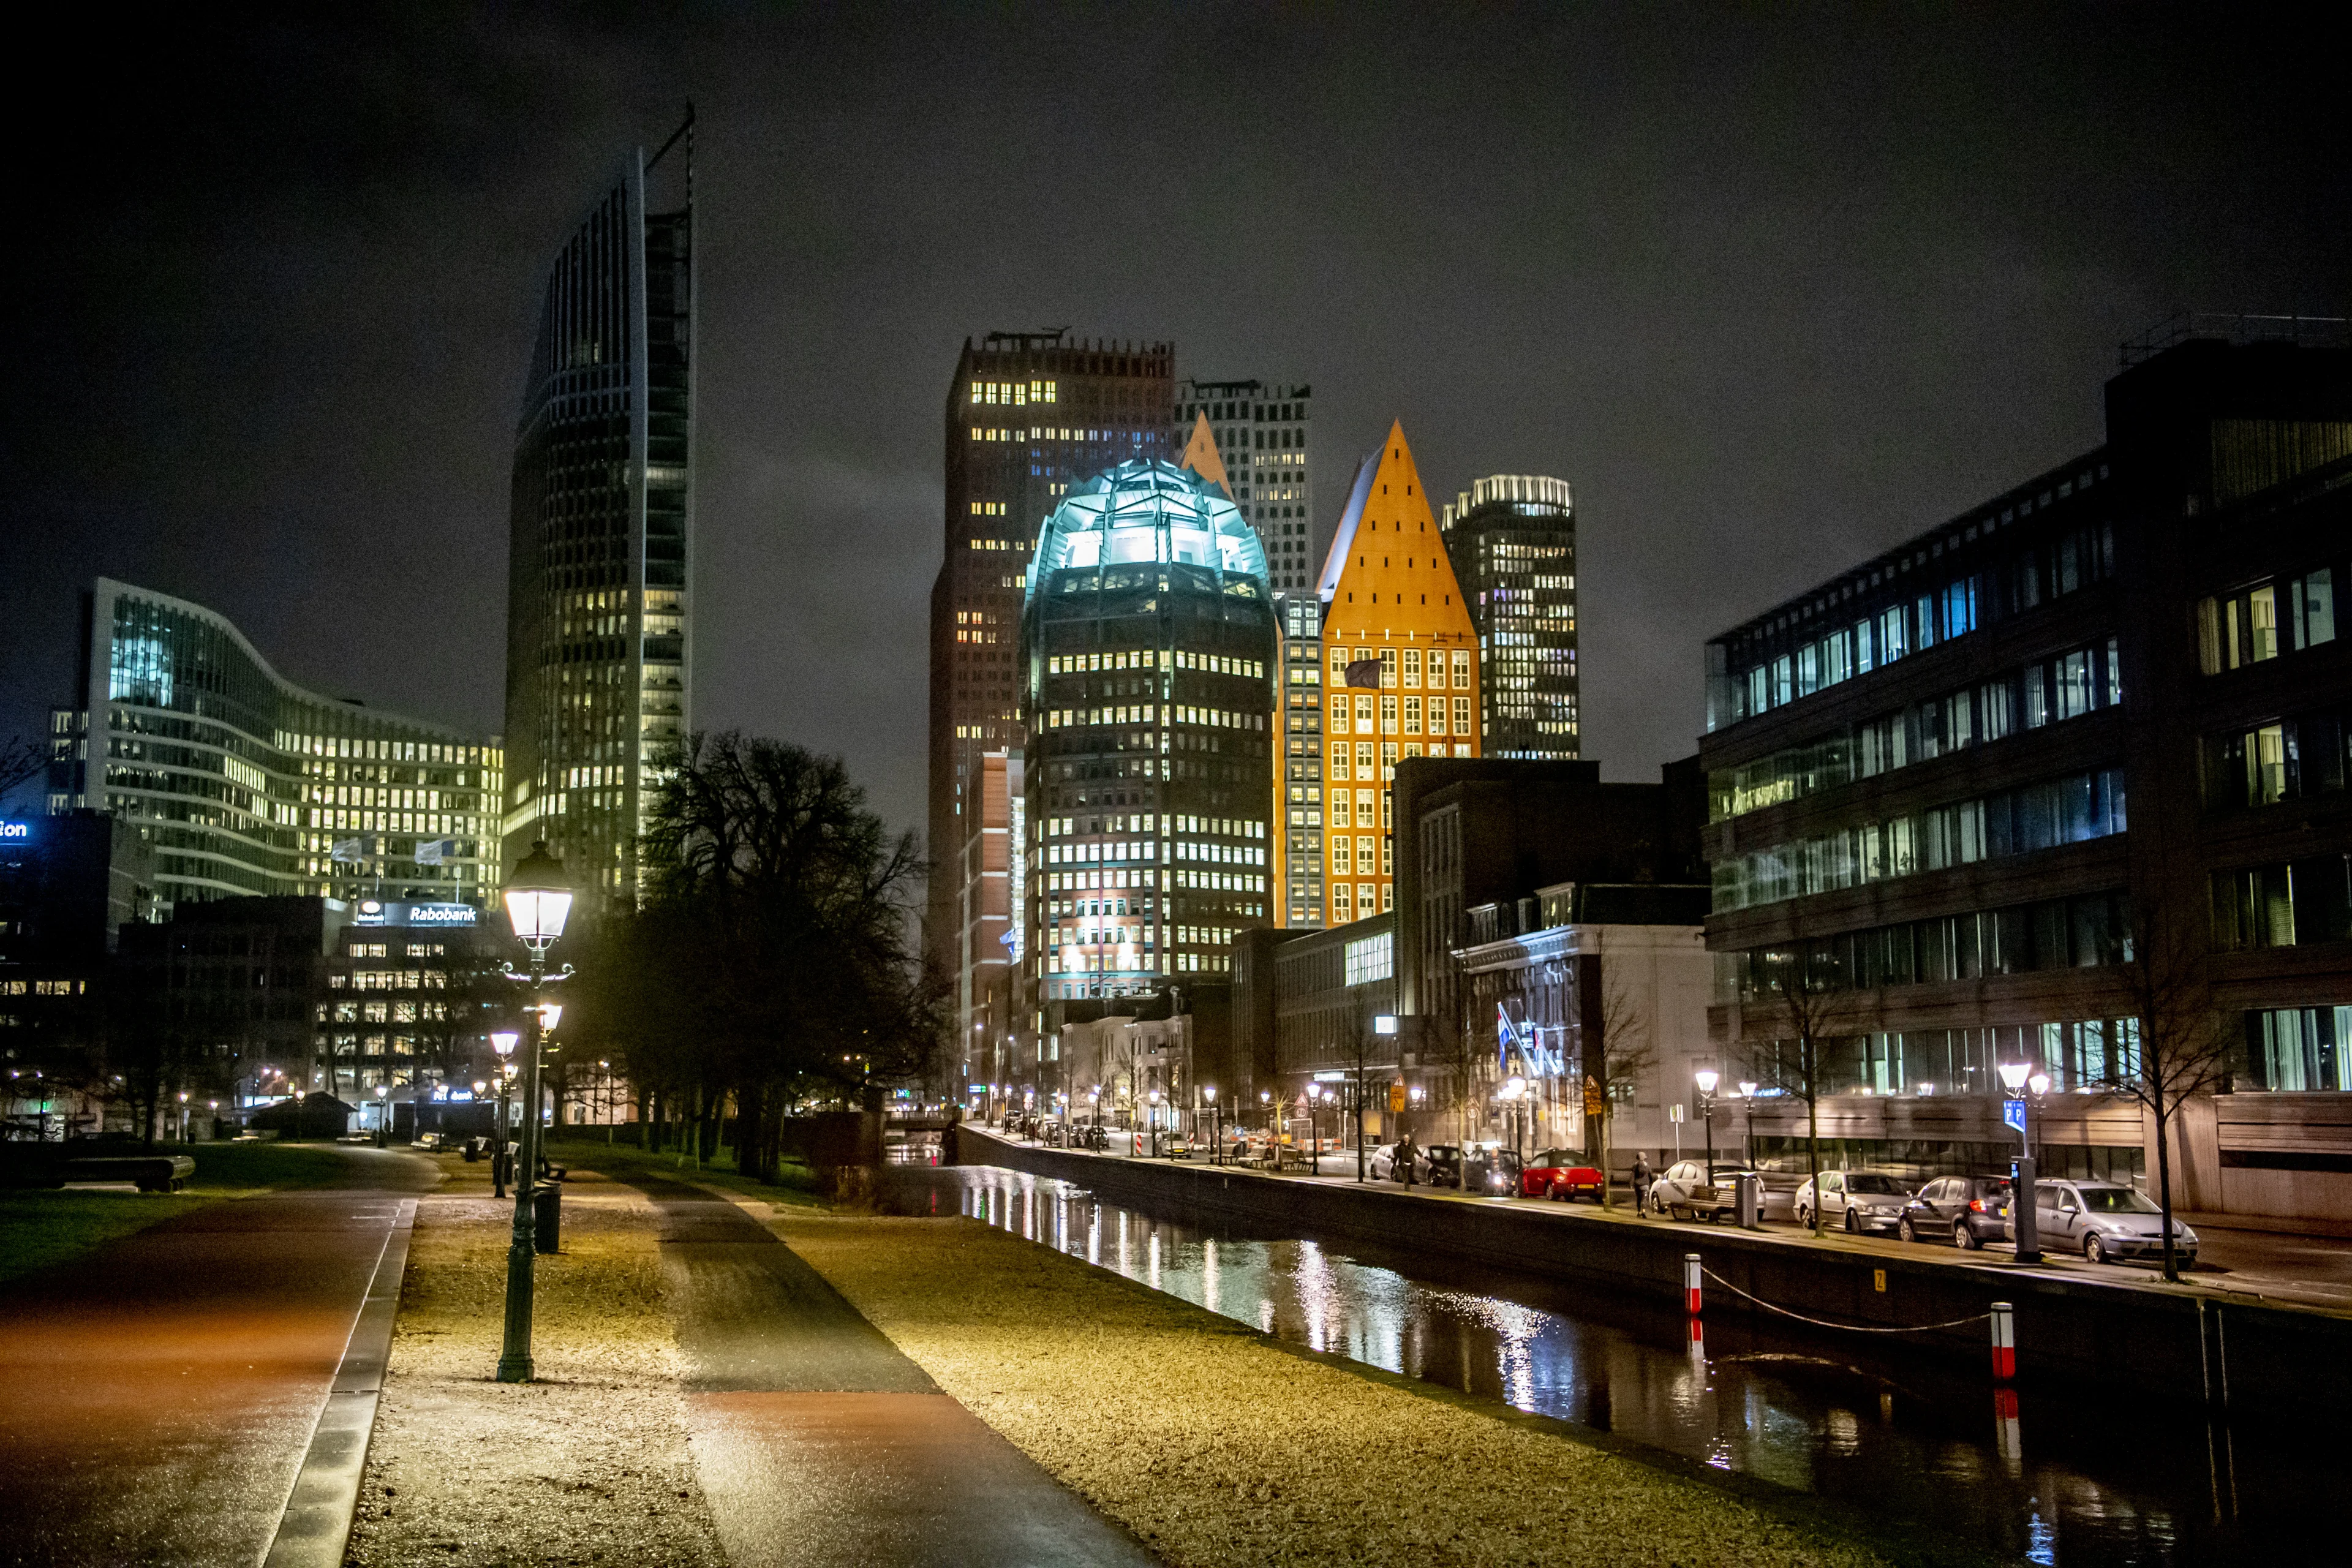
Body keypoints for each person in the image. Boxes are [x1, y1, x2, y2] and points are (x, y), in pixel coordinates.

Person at [1632, 1150, 1654, 1215]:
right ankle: (1643, 1211)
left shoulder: (1635, 1166)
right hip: (1645, 1185)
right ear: (1644, 1158)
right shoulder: (1647, 1166)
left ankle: (1638, 1211)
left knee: (1639, 1199)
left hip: (1637, 1185)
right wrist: (1652, 1182)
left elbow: (1632, 1175)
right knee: (1644, 1199)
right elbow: (1651, 1175)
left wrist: (1631, 1184)